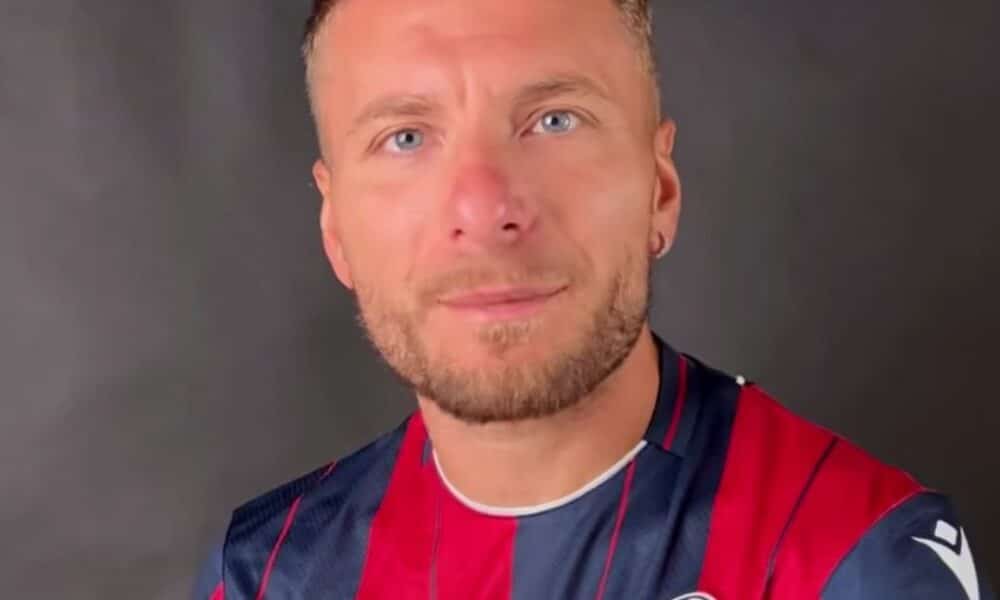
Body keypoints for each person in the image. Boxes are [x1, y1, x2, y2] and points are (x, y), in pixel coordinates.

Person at [194, 0, 993, 598]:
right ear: (336, 228)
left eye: (554, 120)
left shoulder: (856, 556)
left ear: (660, 191)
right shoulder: (267, 573)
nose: (485, 208)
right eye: (405, 138)